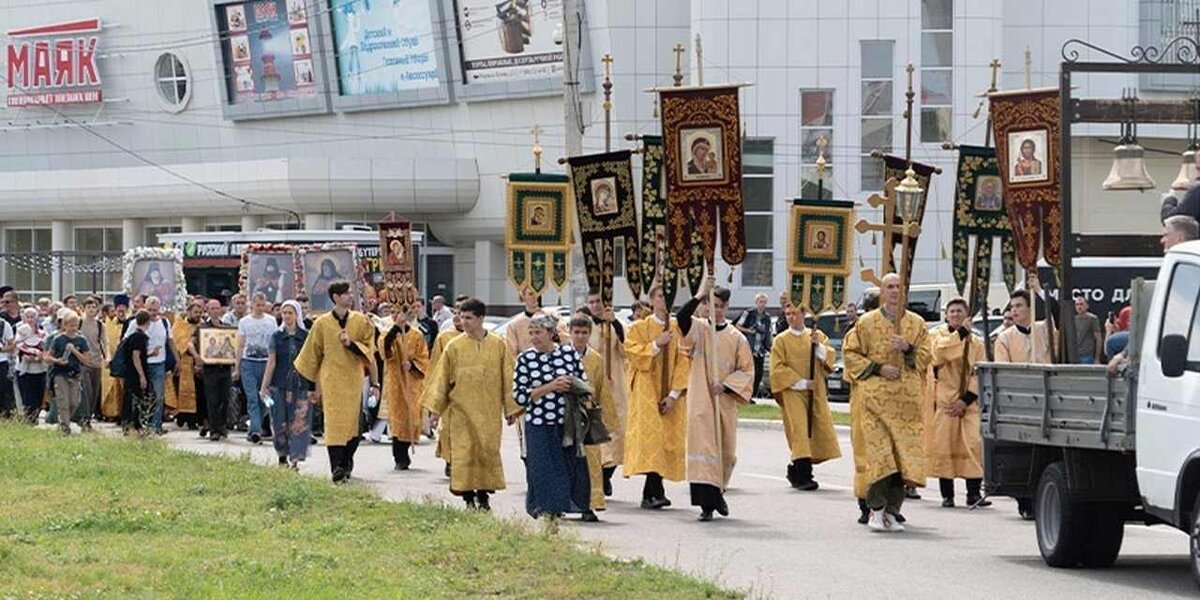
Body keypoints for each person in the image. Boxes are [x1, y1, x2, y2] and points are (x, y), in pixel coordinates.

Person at [842, 273, 931, 533]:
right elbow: (850, 354)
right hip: (876, 402)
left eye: (898, 287)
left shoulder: (917, 324)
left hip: (906, 403)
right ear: (882, 291)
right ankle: (876, 508)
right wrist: (879, 368)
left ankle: (893, 510)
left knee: (901, 458)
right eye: (889, 287)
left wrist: (908, 349)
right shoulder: (866, 323)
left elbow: (927, 356)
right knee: (882, 457)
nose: (894, 291)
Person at [422, 298, 520, 510]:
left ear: (481, 319)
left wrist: (511, 408)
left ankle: (484, 496)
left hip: (489, 411)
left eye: (469, 318)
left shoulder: (498, 345)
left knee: (486, 451)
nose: (463, 321)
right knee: (464, 452)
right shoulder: (454, 347)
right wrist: (435, 411)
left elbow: (508, 377)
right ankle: (467, 498)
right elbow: (441, 380)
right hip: (461, 411)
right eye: (461, 317)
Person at [677, 279, 754, 521]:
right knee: (703, 451)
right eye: (712, 305)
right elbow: (681, 319)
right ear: (705, 306)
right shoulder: (699, 329)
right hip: (701, 400)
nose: (716, 310)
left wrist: (726, 384)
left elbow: (747, 370)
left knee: (725, 452)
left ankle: (718, 492)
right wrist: (699, 295)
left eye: (720, 306)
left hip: (724, 401)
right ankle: (706, 505)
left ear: (727, 307)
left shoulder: (737, 338)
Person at [295, 280, 380, 483]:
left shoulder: (361, 321)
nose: (351, 296)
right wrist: (309, 387)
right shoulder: (322, 324)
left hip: (353, 379)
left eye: (351, 293)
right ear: (336, 298)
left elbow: (370, 351)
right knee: (334, 424)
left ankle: (346, 460)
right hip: (331, 380)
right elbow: (310, 356)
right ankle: (336, 468)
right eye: (346, 293)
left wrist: (351, 344)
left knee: (354, 426)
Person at [513, 313, 593, 521]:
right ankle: (546, 512)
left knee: (567, 468)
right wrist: (549, 387)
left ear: (551, 333)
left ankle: (560, 509)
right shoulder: (525, 359)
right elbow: (520, 396)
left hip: (566, 424)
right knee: (542, 470)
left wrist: (571, 385)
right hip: (539, 424)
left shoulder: (569, 354)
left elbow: (584, 384)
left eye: (538, 332)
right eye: (531, 333)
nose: (534, 337)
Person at [623, 282, 690, 510]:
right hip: (646, 391)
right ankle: (653, 491)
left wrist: (673, 395)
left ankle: (653, 492)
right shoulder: (639, 327)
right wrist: (655, 345)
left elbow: (683, 361)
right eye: (660, 296)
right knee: (651, 439)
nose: (664, 300)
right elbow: (631, 352)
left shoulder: (676, 328)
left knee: (665, 440)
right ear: (652, 301)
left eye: (667, 296)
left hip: (669, 391)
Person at [770, 301, 840, 491]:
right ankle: (803, 474)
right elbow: (777, 369)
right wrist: (799, 382)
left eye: (794, 313)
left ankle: (795, 468)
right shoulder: (781, 340)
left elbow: (829, 358)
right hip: (792, 390)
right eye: (788, 314)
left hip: (814, 390)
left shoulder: (815, 336)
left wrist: (818, 348)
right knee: (799, 430)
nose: (791, 317)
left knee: (815, 429)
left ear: (803, 315)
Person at [927, 298, 990, 508]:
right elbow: (939, 355)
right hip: (945, 398)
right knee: (945, 445)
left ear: (967, 315)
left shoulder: (977, 343)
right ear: (946, 315)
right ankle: (947, 494)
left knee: (973, 443)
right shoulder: (937, 336)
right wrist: (961, 334)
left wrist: (966, 400)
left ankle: (973, 492)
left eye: (959, 311)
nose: (955, 315)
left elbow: (979, 372)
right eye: (952, 311)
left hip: (968, 401)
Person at [568, 313, 616, 515]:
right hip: (566, 414)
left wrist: (607, 420)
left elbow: (603, 388)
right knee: (569, 460)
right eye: (576, 332)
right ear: (570, 333)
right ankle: (568, 502)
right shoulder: (561, 355)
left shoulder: (595, 358)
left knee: (591, 460)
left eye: (584, 333)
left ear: (589, 334)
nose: (580, 336)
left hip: (587, 414)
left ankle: (589, 505)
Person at [261, 300, 314, 468]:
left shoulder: (305, 337)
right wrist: (264, 386)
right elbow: (271, 362)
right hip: (279, 384)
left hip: (301, 385)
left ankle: (296, 459)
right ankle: (282, 455)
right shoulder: (277, 336)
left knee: (299, 422)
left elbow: (313, 362)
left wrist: (315, 387)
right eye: (284, 313)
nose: (287, 316)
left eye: (290, 313)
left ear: (297, 315)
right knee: (279, 421)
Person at [584, 292, 628, 497]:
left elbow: (627, 348)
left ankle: (607, 474)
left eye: (598, 302)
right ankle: (598, 477)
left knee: (617, 433)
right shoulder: (584, 326)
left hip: (615, 384)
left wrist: (615, 324)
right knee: (595, 433)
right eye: (591, 302)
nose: (594, 306)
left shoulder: (614, 324)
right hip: (593, 385)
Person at [381, 304, 429, 471]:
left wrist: (414, 365)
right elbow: (384, 350)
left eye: (399, 312)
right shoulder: (387, 333)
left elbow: (424, 358)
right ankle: (399, 456)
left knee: (412, 417)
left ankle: (406, 448)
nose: (396, 316)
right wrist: (395, 329)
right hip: (395, 382)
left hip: (412, 382)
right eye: (393, 313)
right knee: (398, 418)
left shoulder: (417, 335)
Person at [848, 289, 881, 524]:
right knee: (865, 453)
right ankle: (865, 503)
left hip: (892, 404)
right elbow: (851, 367)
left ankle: (887, 504)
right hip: (865, 400)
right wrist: (877, 369)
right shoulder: (856, 333)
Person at [122, 296, 174, 435]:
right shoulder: (136, 323)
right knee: (140, 396)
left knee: (158, 395)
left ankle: (155, 425)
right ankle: (137, 424)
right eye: (149, 309)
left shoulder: (164, 322)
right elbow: (126, 343)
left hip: (158, 364)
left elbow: (170, 341)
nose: (152, 313)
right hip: (141, 365)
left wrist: (176, 358)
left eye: (155, 310)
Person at [235, 293, 277, 444]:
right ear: (252, 304)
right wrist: (237, 367)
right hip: (248, 362)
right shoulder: (245, 322)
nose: (260, 308)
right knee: (252, 397)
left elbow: (274, 343)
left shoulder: (271, 321)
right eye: (257, 304)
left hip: (266, 362)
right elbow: (240, 345)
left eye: (262, 305)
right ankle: (255, 430)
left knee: (264, 398)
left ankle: (255, 427)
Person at [192, 300, 235, 442]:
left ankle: (222, 427)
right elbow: (190, 343)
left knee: (225, 398)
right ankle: (214, 429)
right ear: (207, 310)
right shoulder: (202, 328)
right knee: (212, 400)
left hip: (225, 368)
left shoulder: (227, 328)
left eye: (217, 308)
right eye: (212, 308)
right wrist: (197, 356)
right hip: (210, 369)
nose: (215, 311)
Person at [45, 312, 94, 435]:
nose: (74, 328)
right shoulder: (58, 339)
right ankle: (65, 427)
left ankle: (65, 420)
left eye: (76, 325)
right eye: (71, 325)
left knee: (74, 401)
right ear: (64, 325)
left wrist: (74, 351)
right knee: (63, 401)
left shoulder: (81, 340)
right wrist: (58, 361)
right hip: (60, 374)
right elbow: (47, 357)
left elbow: (87, 360)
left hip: (75, 374)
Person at [168, 301, 204, 432]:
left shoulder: (203, 325)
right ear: (189, 312)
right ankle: (183, 417)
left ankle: (196, 419)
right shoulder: (180, 324)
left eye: (200, 312)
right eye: (195, 312)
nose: (198, 315)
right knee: (183, 391)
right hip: (184, 361)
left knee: (198, 392)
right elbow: (179, 342)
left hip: (199, 363)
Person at [124, 311, 156, 435]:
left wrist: (151, 354)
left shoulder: (133, 336)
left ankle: (132, 425)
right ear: (148, 322)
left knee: (135, 398)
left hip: (131, 372)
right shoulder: (139, 337)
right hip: (136, 373)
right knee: (137, 398)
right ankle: (134, 425)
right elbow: (136, 356)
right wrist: (142, 375)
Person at [736, 292, 773, 399]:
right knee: (749, 374)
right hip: (749, 348)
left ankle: (752, 396)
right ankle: (745, 396)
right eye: (760, 302)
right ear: (756, 302)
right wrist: (749, 331)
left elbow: (768, 333)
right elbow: (738, 326)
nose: (762, 304)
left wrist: (770, 346)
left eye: (764, 302)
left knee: (759, 374)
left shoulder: (767, 317)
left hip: (760, 350)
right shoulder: (749, 313)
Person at [100, 295, 131, 421]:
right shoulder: (109, 324)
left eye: (123, 307)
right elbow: (107, 341)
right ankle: (113, 413)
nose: (121, 310)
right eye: (118, 307)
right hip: (113, 359)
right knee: (113, 389)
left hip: (127, 361)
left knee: (126, 389)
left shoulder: (130, 322)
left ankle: (125, 415)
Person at [15, 307, 47, 425]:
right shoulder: (20, 331)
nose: (30, 319)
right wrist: (26, 355)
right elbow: (17, 346)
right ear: (24, 318)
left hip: (40, 370)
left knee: (39, 397)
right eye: (28, 316)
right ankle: (30, 421)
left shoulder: (43, 332)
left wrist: (39, 356)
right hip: (25, 370)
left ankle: (35, 417)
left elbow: (46, 348)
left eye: (32, 316)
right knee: (28, 397)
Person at [79, 297, 107, 424]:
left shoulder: (100, 325)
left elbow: (104, 342)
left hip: (96, 361)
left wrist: (107, 357)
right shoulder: (79, 323)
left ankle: (89, 417)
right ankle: (84, 417)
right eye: (88, 307)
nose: (91, 309)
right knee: (87, 391)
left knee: (95, 392)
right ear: (84, 309)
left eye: (93, 307)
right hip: (83, 362)